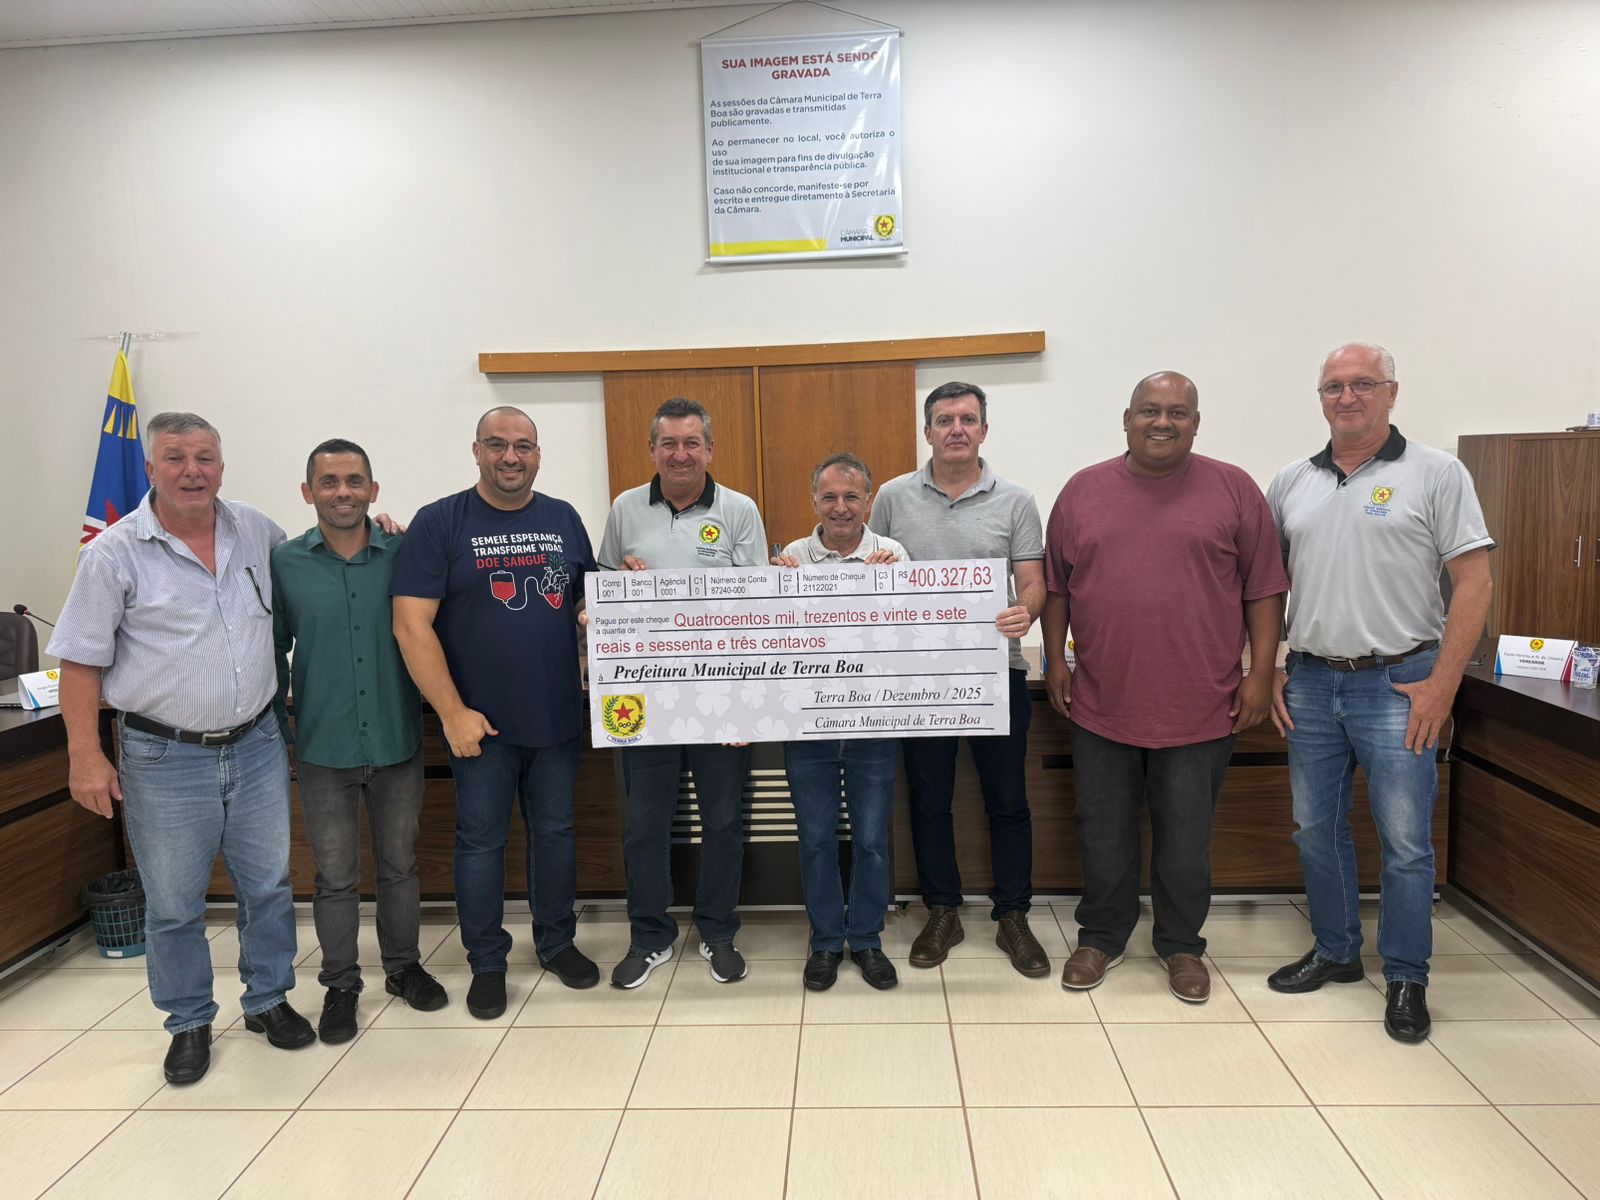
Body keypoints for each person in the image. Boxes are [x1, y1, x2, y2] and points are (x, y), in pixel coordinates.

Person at [51, 411, 311, 1087]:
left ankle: (268, 1000)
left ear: (221, 466)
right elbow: (79, 663)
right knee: (173, 902)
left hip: (256, 742)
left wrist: (379, 530)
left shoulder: (256, 530)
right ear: (151, 469)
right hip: (164, 757)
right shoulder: (113, 553)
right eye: (175, 458)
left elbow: (313, 570)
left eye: (204, 458)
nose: (191, 471)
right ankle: (189, 1020)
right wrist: (84, 755)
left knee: (268, 886)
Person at [1266, 343, 1493, 1043]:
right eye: (1333, 386)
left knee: (1406, 840)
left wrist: (1442, 686)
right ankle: (1336, 950)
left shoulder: (1437, 473)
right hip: (1310, 681)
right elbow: (1268, 588)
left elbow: (1475, 583)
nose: (1347, 397)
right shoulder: (1291, 481)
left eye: (1363, 384)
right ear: (1320, 398)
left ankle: (1406, 975)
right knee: (1315, 827)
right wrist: (1269, 667)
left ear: (1392, 392)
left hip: (1401, 682)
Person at [1041, 373, 1287, 1003]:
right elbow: (1058, 587)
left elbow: (1264, 589)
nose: (1162, 422)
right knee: (1103, 832)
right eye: (1149, 410)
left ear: (1196, 424)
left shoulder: (1234, 489)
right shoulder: (1082, 491)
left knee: (1185, 841)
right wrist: (1055, 660)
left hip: (1201, 703)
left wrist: (1261, 673)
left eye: (1178, 412)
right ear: (1126, 419)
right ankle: (1101, 937)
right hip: (1102, 699)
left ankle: (1181, 945)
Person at [391, 406, 598, 1021]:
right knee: (480, 843)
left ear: (538, 455)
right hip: (479, 725)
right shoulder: (440, 522)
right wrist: (451, 711)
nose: (512, 456)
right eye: (498, 444)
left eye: (524, 446)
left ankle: (556, 942)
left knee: (556, 834)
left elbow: (585, 603)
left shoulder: (564, 518)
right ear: (477, 451)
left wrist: (612, 603)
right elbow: (410, 625)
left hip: (557, 717)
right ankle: (487, 960)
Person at [869, 381, 1050, 977]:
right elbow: (870, 572)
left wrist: (1026, 609)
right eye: (944, 420)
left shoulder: (1016, 500)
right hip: (918, 678)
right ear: (927, 432)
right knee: (929, 800)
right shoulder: (892, 497)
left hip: (996, 672)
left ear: (983, 430)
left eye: (968, 419)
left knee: (1008, 801)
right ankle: (942, 910)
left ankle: (1013, 916)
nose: (956, 429)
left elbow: (1033, 580)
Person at [271, 438, 447, 1044]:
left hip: (397, 738)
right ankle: (341, 985)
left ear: (373, 490)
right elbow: (272, 650)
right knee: (335, 878)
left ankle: (403, 968)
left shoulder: (405, 552)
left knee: (400, 866)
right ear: (308, 492)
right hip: (324, 745)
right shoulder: (284, 562)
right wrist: (280, 729)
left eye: (354, 481)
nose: (342, 492)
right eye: (329, 481)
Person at [597, 397, 768, 989]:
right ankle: (650, 936)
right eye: (668, 443)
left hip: (720, 696)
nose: (680, 454)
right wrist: (620, 591)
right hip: (644, 699)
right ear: (652, 450)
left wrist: (748, 703)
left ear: (710, 450)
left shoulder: (740, 510)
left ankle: (718, 930)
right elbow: (603, 593)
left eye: (691, 442)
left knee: (723, 821)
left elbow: (757, 606)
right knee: (645, 825)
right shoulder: (624, 508)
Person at [772, 452, 909, 992]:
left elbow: (912, 636)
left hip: (873, 724)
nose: (840, 507)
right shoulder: (789, 558)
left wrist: (898, 586)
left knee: (872, 839)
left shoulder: (893, 554)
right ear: (814, 501)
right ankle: (827, 941)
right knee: (814, 839)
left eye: (851, 496)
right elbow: (773, 641)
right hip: (808, 727)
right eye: (829, 496)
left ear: (868, 501)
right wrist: (773, 590)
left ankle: (868, 938)